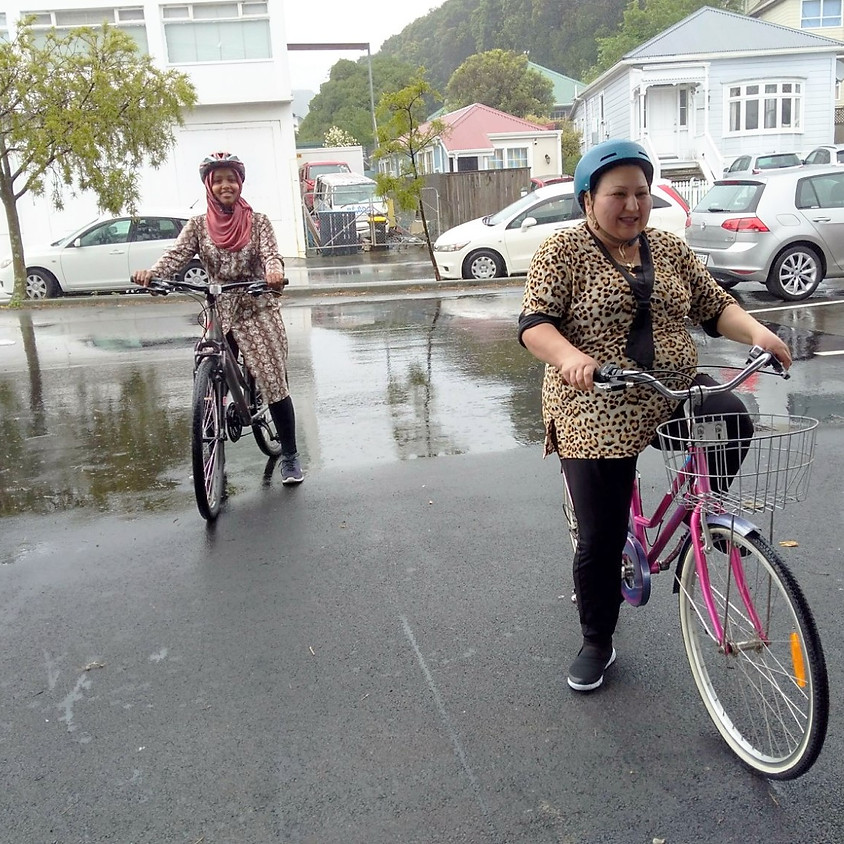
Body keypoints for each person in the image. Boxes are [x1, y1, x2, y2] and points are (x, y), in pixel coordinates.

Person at [518, 139, 791, 692]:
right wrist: (572, 358)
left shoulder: (667, 248)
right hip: (596, 401)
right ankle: (597, 639)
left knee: (729, 414)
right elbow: (534, 325)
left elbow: (715, 306)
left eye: (641, 193)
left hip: (669, 390)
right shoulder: (561, 251)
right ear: (587, 199)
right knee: (601, 535)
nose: (632, 205)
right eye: (617, 194)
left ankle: (699, 519)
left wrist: (759, 333)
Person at [133, 152, 304, 484]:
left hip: (256, 305)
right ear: (209, 186)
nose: (226, 185)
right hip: (219, 307)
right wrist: (152, 274)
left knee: (272, 380)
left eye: (231, 179)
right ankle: (211, 428)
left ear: (240, 183)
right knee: (205, 368)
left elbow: (271, 254)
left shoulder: (259, 222)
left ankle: (291, 455)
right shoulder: (198, 225)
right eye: (218, 180)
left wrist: (273, 272)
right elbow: (176, 256)